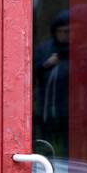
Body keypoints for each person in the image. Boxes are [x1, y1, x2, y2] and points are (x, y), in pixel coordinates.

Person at [34, 9, 71, 155]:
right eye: (61, 31)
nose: (64, 35)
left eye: (68, 31)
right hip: (47, 110)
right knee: (46, 148)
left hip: (71, 111)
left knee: (69, 149)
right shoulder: (45, 49)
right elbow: (31, 74)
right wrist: (46, 65)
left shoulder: (80, 48)